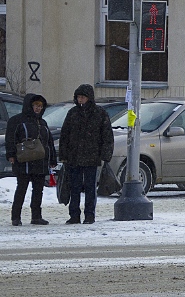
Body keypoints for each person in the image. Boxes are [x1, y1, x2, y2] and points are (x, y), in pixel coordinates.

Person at [57, 84, 115, 224]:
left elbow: (107, 136)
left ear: (89, 98)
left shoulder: (99, 113)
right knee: (74, 188)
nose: (80, 99)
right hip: (74, 157)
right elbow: (65, 135)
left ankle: (90, 215)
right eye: (78, 97)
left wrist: (105, 155)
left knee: (90, 188)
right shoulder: (73, 113)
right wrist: (63, 155)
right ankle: (74, 215)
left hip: (91, 157)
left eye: (83, 97)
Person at [5, 93, 58, 226]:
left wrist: (52, 160)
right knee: (21, 188)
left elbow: (49, 142)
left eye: (40, 106)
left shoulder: (43, 122)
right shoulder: (16, 121)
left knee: (38, 190)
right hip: (23, 161)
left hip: (40, 162)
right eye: (35, 105)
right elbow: (10, 139)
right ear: (29, 105)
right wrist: (11, 154)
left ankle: (36, 216)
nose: (38, 108)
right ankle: (15, 217)